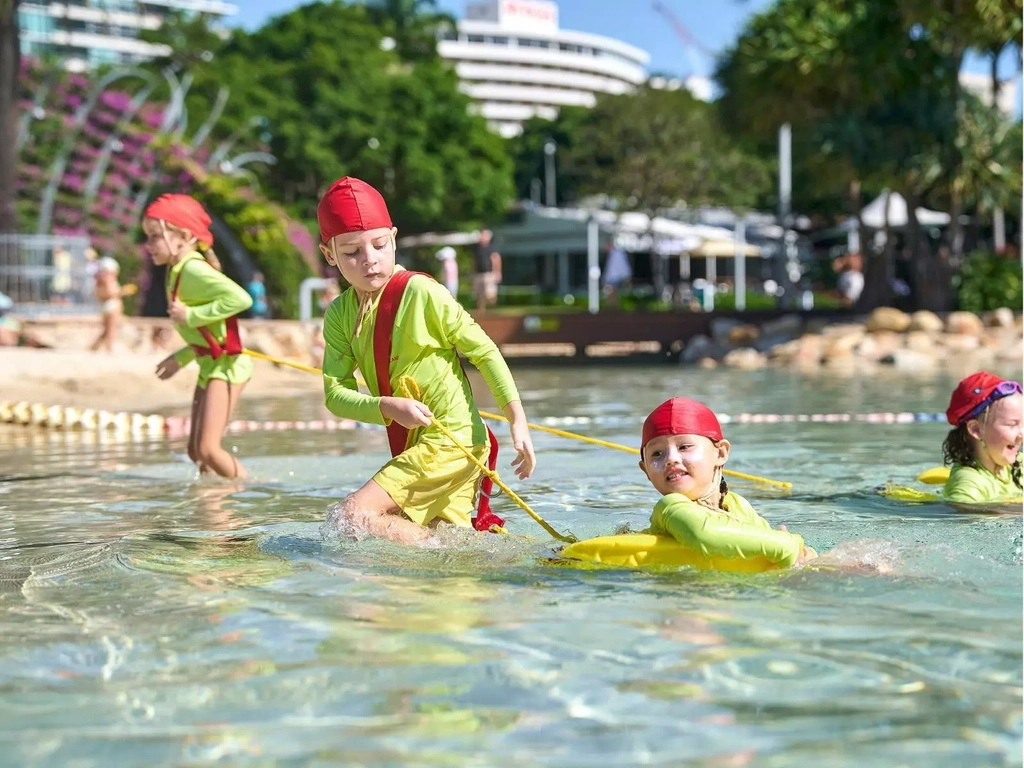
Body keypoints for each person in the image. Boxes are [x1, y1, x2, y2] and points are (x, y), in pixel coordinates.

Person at [316, 176, 536, 546]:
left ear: (394, 238)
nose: (369, 260)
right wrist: (386, 407)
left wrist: (518, 421)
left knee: (354, 514)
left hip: (453, 439)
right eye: (352, 252)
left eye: (380, 245)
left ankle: (436, 555)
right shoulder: (339, 315)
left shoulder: (422, 292)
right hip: (422, 444)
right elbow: (335, 394)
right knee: (448, 546)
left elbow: (484, 351)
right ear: (329, 255)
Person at [144, 194, 254, 479]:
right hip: (211, 365)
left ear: (182, 236)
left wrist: (190, 316)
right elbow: (206, 336)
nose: (149, 245)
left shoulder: (192, 268)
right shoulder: (177, 270)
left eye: (155, 236)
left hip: (228, 368)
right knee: (196, 452)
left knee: (207, 449)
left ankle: (253, 489)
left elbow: (241, 299)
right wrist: (180, 358)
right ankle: (212, 509)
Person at [639, 397, 817, 569]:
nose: (671, 459)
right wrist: (788, 545)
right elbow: (705, 534)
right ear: (646, 470)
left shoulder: (736, 504)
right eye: (657, 454)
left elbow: (769, 541)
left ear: (721, 453)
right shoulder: (668, 507)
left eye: (684, 447)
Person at [941, 372, 1022, 505]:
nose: (1022, 434)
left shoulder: (1019, 465)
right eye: (1012, 424)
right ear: (976, 430)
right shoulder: (968, 487)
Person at [89, 256, 131, 353]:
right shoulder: (108, 279)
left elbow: (99, 294)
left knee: (107, 328)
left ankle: (95, 347)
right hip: (111, 306)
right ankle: (109, 348)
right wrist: (122, 292)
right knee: (111, 328)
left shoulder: (99, 280)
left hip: (104, 306)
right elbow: (110, 293)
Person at [472, 228, 501, 313]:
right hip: (478, 274)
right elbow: (475, 261)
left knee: (490, 295)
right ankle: (481, 311)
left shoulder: (491, 247)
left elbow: (496, 259)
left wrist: (497, 272)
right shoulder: (477, 248)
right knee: (479, 294)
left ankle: (493, 310)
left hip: (489, 273)